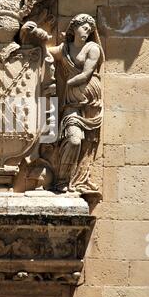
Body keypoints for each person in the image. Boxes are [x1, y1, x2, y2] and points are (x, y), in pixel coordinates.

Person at [49, 14, 104, 194]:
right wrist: (31, 35)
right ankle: (62, 181)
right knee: (74, 139)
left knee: (86, 143)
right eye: (84, 27)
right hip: (71, 102)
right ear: (74, 28)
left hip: (90, 103)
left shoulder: (92, 48)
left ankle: (78, 179)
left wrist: (67, 84)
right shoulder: (65, 48)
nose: (87, 31)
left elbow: (86, 74)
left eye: (90, 29)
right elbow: (45, 52)